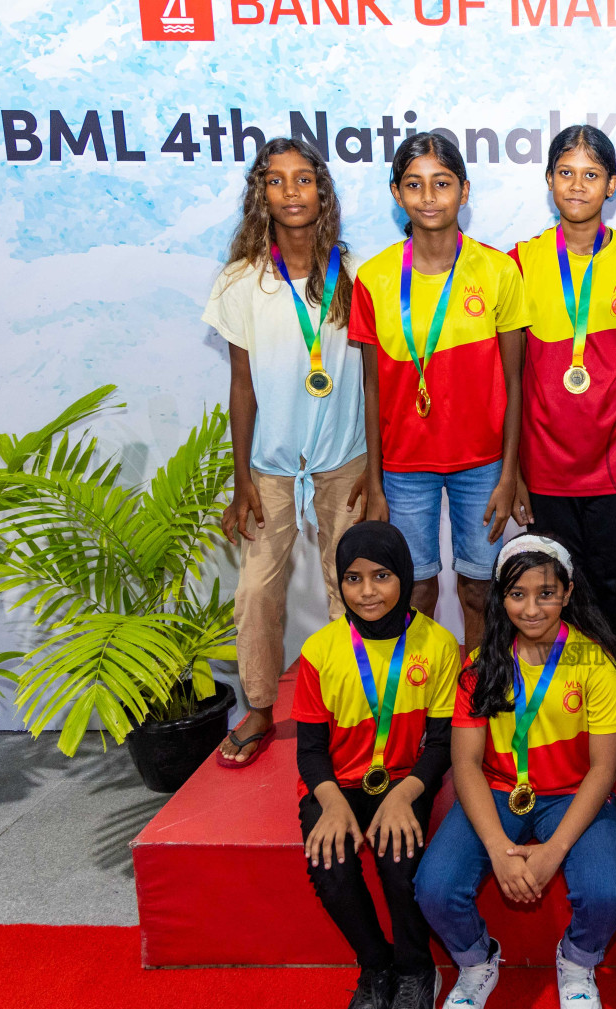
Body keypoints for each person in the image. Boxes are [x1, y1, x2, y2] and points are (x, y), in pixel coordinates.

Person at [414, 535, 616, 1009]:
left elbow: (603, 768)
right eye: (517, 595)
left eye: (546, 593)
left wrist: (553, 853)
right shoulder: (479, 667)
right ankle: (475, 965)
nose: (531, 608)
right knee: (434, 886)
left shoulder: (595, 664)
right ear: (499, 597)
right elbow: (465, 764)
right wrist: (496, 847)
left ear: (568, 593)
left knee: (605, 895)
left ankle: (576, 963)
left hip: (573, 793)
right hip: (496, 787)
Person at [207, 136, 365, 767]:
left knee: (347, 588)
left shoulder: (356, 273)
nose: (292, 192)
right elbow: (240, 384)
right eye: (277, 181)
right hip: (272, 466)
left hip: (345, 458)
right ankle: (259, 707)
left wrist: (374, 470)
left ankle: (349, 709)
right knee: (255, 592)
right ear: (260, 194)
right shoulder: (243, 279)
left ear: (322, 191)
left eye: (304, 180)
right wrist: (242, 476)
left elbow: (377, 378)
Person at [349, 132, 528, 649]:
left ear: (464, 191)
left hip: (483, 464)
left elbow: (515, 383)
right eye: (414, 184)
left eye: (442, 183)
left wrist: (510, 472)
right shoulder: (376, 277)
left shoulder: (497, 270)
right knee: (415, 587)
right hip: (404, 467)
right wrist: (376, 480)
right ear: (396, 193)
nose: (429, 197)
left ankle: (474, 694)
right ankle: (425, 698)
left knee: (478, 588)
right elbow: (371, 386)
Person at [509, 124, 616, 688]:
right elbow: (512, 381)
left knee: (609, 594)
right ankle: (563, 706)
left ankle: (612, 713)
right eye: (566, 172)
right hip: (547, 472)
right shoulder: (521, 263)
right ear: (550, 180)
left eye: (592, 174)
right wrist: (517, 473)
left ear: (612, 186)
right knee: (553, 597)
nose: (578, 185)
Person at [293, 521, 461, 1009]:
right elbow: (309, 749)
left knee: (398, 863)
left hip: (407, 779)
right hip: (336, 784)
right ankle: (376, 965)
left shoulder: (438, 644)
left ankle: (415, 970)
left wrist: (405, 795)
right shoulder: (320, 651)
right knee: (330, 868)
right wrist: (333, 804)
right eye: (353, 578)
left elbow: (442, 743)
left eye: (382, 576)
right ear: (339, 583)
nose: (367, 591)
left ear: (405, 577)